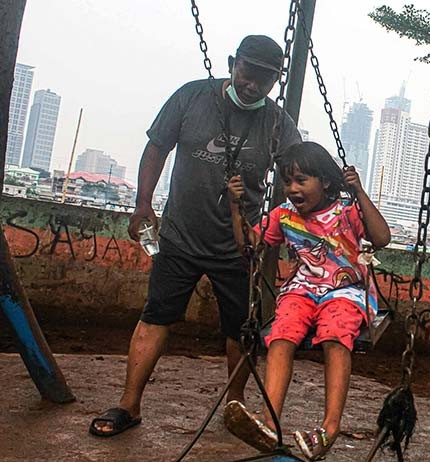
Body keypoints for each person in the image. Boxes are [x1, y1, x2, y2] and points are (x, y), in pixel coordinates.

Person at [89, 35, 302, 437]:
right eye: (246, 73)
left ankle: (234, 406)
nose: (252, 85)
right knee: (155, 316)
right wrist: (142, 203)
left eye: (264, 79)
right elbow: (157, 147)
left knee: (241, 329)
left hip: (240, 247)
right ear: (231, 63)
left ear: (276, 81)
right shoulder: (191, 97)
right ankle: (128, 404)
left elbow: (299, 173)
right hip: (180, 237)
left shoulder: (277, 123)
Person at [224, 141, 390, 460]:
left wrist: (360, 193)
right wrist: (236, 206)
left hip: (345, 290)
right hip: (301, 289)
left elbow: (381, 238)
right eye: (288, 182)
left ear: (325, 181)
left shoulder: (346, 211)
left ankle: (330, 427)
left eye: (301, 180)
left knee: (335, 336)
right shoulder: (284, 215)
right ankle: (269, 422)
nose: (292, 189)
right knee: (281, 335)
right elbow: (250, 246)